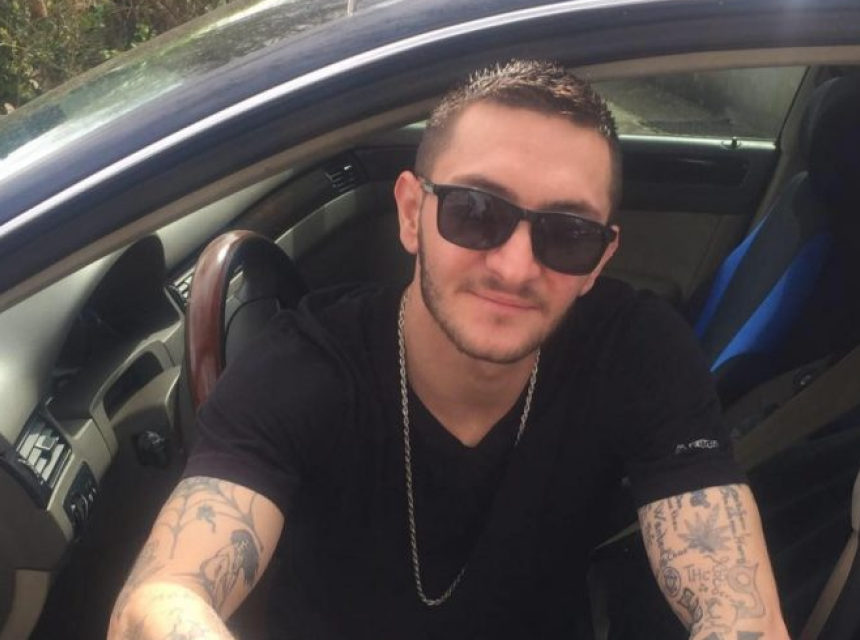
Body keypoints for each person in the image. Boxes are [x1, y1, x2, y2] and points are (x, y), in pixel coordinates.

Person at [108, 60, 791, 640]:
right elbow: (161, 597)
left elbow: (739, 612)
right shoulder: (306, 364)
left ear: (600, 260)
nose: (516, 267)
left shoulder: (636, 351)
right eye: (475, 212)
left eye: (568, 234)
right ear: (412, 213)